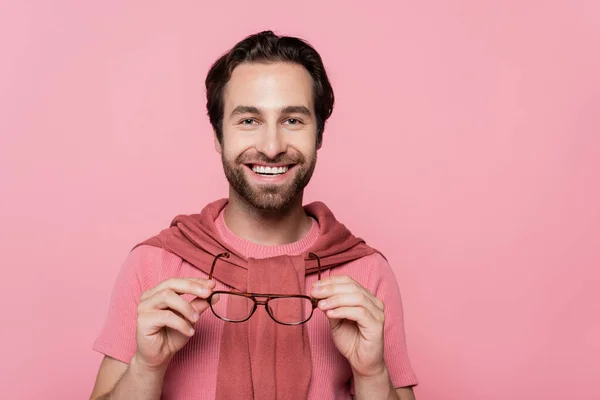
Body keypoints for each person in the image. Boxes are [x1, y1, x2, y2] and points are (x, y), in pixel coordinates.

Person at [89, 30, 418, 400]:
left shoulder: (367, 272)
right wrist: (146, 368)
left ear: (320, 134)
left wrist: (372, 374)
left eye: (293, 120)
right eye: (249, 121)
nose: (272, 147)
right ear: (218, 134)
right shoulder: (153, 265)